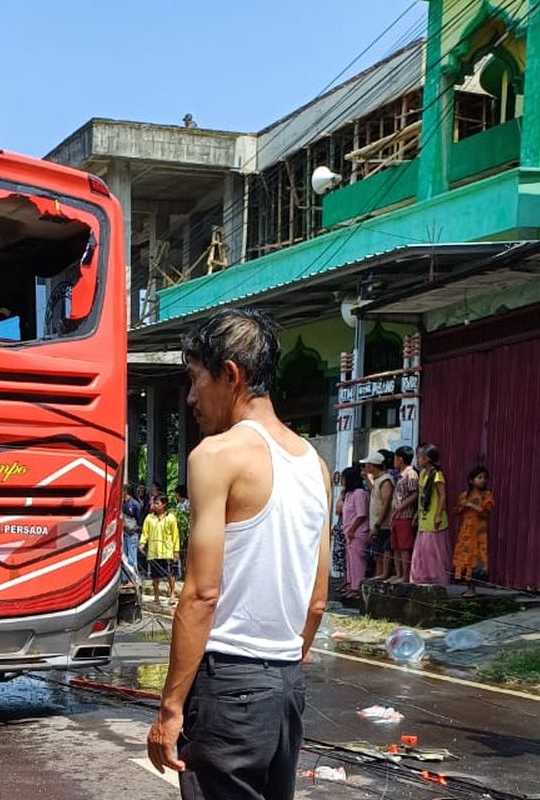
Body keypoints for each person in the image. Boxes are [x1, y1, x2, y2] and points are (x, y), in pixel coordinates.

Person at [146, 308, 330, 800]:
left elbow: (202, 594)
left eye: (194, 379)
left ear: (230, 375)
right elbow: (317, 601)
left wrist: (170, 709)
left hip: (228, 684)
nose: (190, 397)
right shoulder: (315, 466)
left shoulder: (216, 456)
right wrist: (281, 668)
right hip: (287, 685)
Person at [410, 444, 450, 585]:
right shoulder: (422, 474)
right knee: (423, 550)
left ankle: (435, 578)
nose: (418, 460)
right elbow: (422, 495)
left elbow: (442, 496)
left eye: (420, 457)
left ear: (427, 459)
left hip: (433, 517)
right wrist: (416, 513)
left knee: (433, 550)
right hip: (424, 516)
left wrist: (438, 514)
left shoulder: (437, 475)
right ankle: (423, 577)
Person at [453, 466, 494, 598]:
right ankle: (468, 587)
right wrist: (462, 506)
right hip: (466, 533)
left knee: (476, 559)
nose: (482, 480)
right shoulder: (464, 495)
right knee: (465, 558)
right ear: (471, 480)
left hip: (479, 534)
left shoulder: (487, 496)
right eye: (479, 477)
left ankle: (473, 589)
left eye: (484, 478)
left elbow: (485, 513)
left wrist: (471, 505)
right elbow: (457, 511)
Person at [140, 494, 180, 606]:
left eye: (157, 503)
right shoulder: (149, 518)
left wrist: (176, 551)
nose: (155, 505)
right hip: (153, 551)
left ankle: (172, 594)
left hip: (167, 551)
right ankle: (156, 596)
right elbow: (145, 532)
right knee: (155, 577)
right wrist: (142, 543)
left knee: (170, 574)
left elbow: (175, 535)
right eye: (154, 503)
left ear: (164, 504)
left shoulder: (170, 518)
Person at [361, 452, 395, 581]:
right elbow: (375, 494)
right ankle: (378, 576)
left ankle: (381, 576)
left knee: (381, 552)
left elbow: (385, 503)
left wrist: (377, 524)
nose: (366, 468)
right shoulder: (378, 480)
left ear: (374, 466)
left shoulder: (386, 480)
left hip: (383, 524)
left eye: (368, 465)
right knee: (377, 553)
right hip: (376, 522)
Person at [388, 446, 418, 584]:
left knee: (405, 546)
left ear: (400, 459)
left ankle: (405, 575)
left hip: (405, 515)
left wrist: (401, 506)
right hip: (396, 516)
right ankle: (398, 573)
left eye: (395, 458)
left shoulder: (410, 474)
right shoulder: (399, 475)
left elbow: (415, 493)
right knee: (396, 546)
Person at [341, 466, 370, 599]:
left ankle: (357, 587)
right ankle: (351, 585)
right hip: (349, 532)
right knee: (350, 561)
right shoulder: (348, 494)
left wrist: (352, 529)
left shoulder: (359, 493)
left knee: (358, 561)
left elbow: (361, 514)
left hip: (357, 532)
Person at [121, 484, 143, 573]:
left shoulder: (135, 505)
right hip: (124, 533)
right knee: (124, 556)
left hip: (132, 533)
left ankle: (133, 576)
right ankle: (125, 579)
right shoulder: (121, 503)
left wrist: (135, 530)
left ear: (125, 492)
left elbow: (139, 520)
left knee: (132, 557)